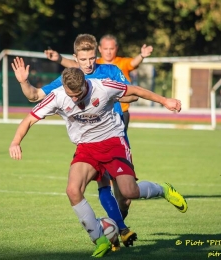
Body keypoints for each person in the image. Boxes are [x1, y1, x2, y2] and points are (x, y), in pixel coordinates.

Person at [13, 34, 187, 251]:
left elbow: (134, 93)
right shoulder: (63, 87)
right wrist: (23, 85)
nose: (75, 101)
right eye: (83, 59)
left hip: (114, 139)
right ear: (76, 59)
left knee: (127, 194)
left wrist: (161, 100)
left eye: (91, 58)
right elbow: (33, 104)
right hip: (86, 147)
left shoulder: (106, 79)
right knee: (76, 190)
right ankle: (106, 237)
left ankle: (157, 193)